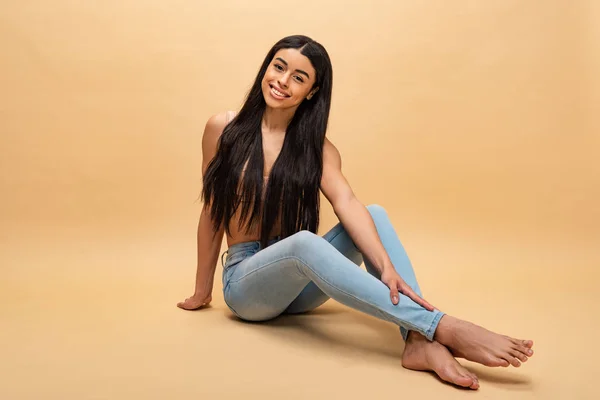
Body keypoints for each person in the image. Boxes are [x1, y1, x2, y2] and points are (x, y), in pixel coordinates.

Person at [177, 35, 534, 390]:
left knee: (373, 214)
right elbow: (213, 210)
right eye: (279, 67)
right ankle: (439, 325)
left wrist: (386, 266)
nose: (283, 82)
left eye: (299, 77)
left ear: (312, 92)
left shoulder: (317, 149)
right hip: (247, 285)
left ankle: (418, 341)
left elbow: (346, 202)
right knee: (304, 243)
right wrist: (202, 290)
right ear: (267, 68)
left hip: (298, 289)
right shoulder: (223, 129)